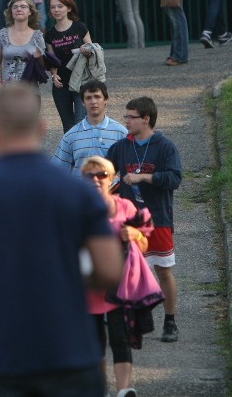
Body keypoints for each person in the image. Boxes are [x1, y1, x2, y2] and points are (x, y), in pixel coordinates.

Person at [0, 83, 122, 396]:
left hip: (2, 357)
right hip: (70, 352)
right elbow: (110, 269)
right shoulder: (77, 191)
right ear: (41, 128)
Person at [106, 96, 182, 343]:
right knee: (129, 274)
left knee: (163, 271)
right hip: (129, 222)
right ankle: (132, 321)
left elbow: (174, 179)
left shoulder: (164, 146)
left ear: (146, 119)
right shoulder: (122, 147)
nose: (126, 120)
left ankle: (170, 322)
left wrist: (144, 178)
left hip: (158, 220)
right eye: (125, 116)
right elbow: (105, 172)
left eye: (131, 116)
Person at [80, 156, 149, 397]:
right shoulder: (76, 210)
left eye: (102, 175)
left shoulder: (126, 207)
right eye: (91, 176)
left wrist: (136, 236)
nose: (97, 180)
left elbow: (144, 248)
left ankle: (123, 390)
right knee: (94, 344)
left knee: (120, 338)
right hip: (88, 287)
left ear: (111, 179)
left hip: (119, 285)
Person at [52, 80, 128, 172]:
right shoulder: (70, 136)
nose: (93, 101)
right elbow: (57, 170)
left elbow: (130, 168)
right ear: (83, 102)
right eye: (88, 98)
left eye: (97, 97)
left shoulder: (121, 133)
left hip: (110, 186)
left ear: (106, 100)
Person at [45, 0, 93, 131]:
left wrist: (87, 50)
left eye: (60, 6)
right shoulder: (49, 35)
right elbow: (51, 60)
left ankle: (83, 152)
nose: (56, 10)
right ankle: (70, 153)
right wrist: (53, 75)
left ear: (69, 8)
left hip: (81, 82)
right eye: (53, 7)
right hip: (61, 85)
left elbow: (93, 49)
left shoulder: (80, 27)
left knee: (80, 122)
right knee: (67, 126)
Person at [0, 0, 45, 90]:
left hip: (30, 92)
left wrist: (40, 57)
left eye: (23, 7)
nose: (19, 9)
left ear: (30, 12)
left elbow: (43, 66)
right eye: (15, 7)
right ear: (11, 12)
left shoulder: (37, 36)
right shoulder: (1, 35)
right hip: (7, 91)